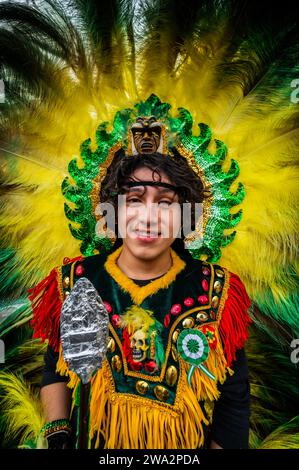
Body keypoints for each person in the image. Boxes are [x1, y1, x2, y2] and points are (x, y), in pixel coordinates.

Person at [29, 149, 252, 449]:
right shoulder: (75, 281)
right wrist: (58, 438)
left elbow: (233, 401)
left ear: (186, 216)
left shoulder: (217, 291)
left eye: (165, 202)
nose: (148, 217)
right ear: (113, 210)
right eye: (134, 199)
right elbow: (54, 368)